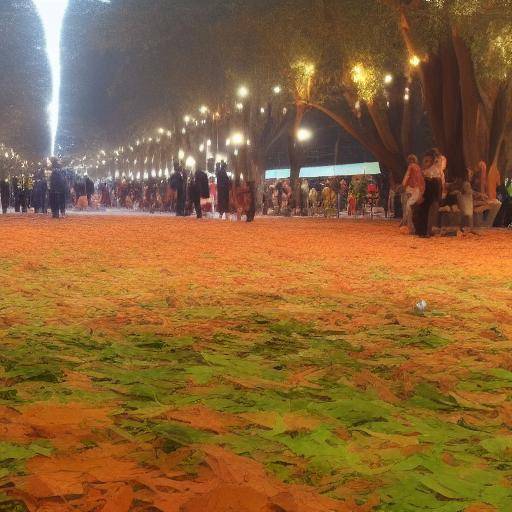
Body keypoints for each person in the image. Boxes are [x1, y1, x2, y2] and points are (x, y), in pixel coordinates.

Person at [414, 150, 443, 237]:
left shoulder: (432, 171)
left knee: (425, 210)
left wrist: (422, 194)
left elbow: (428, 183)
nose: (425, 163)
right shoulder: (433, 170)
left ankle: (424, 231)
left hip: (431, 187)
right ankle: (423, 231)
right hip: (432, 187)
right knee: (424, 210)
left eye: (427, 161)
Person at [402, 155, 425, 233]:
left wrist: (403, 185)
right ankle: (411, 227)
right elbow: (421, 179)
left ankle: (410, 228)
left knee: (408, 207)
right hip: (418, 189)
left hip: (411, 189)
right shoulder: (419, 168)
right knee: (412, 208)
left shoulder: (411, 167)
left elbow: (407, 176)